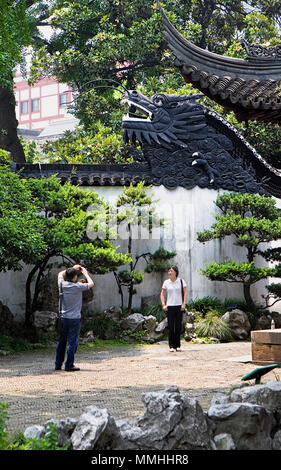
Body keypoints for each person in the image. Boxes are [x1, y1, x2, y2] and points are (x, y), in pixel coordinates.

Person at [55, 264, 94, 371]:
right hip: (74, 319)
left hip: (63, 317)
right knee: (72, 342)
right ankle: (69, 365)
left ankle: (58, 364)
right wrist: (85, 273)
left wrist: (71, 268)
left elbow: (60, 274)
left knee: (62, 341)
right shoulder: (77, 287)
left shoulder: (62, 284)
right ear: (75, 277)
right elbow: (91, 284)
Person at [160, 266, 187, 352]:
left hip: (179, 306)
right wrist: (164, 304)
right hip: (170, 306)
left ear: (175, 272)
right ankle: (171, 346)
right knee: (171, 326)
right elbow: (162, 294)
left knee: (178, 326)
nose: (169, 273)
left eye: (171, 271)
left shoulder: (181, 281)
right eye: (169, 271)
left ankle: (177, 345)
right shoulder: (166, 282)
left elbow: (185, 293)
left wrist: (184, 304)